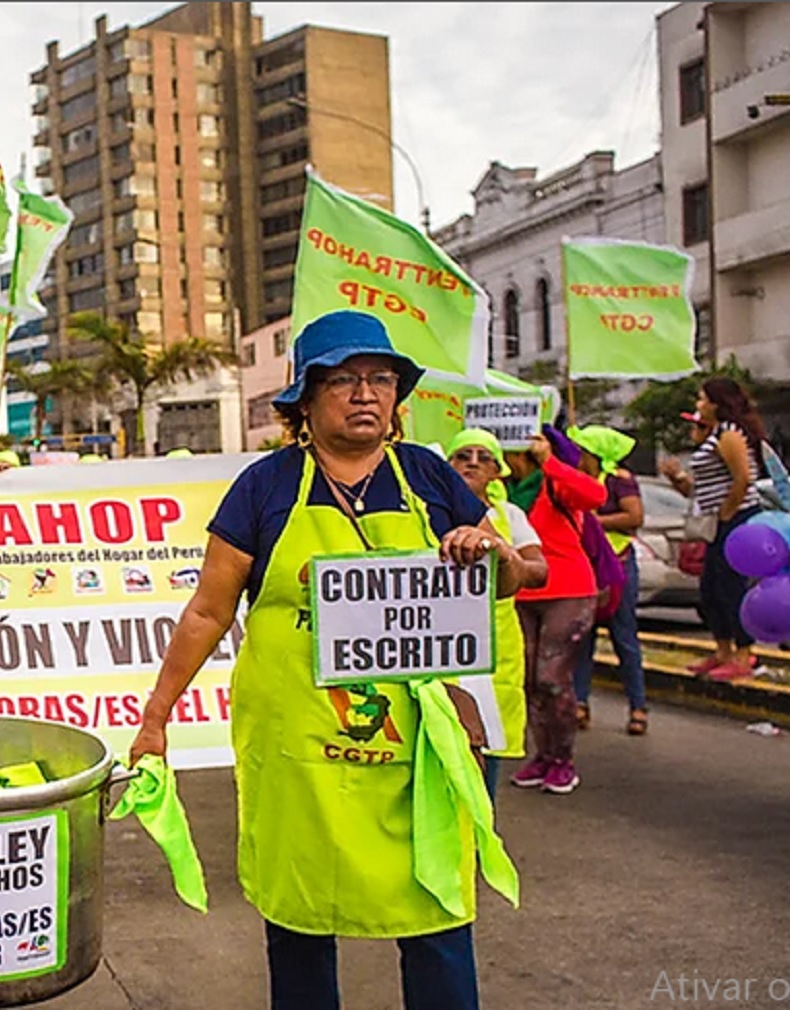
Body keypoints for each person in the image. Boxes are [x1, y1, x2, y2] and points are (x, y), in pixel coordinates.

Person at [129, 310, 516, 1010]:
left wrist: (490, 550)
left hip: (416, 756)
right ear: (305, 401)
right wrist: (156, 718)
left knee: (437, 912)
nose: (365, 392)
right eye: (342, 379)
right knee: (300, 919)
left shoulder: (428, 477)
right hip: (298, 751)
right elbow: (208, 611)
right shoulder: (266, 486)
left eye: (380, 378)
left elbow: (525, 573)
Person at [501, 428, 606, 795]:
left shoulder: (552, 484)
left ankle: (563, 759)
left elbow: (595, 495)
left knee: (552, 675)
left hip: (568, 590)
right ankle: (543, 755)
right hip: (522, 593)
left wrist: (551, 462)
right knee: (528, 678)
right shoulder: (502, 493)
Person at [444, 429, 548, 799]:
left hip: (494, 648)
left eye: (483, 456)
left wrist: (503, 558)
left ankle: (481, 836)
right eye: (462, 455)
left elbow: (539, 571)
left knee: (486, 738)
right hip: (434, 648)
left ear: (496, 471)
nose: (472, 461)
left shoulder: (509, 516)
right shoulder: (424, 509)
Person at [661, 379, 769, 679]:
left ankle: (744, 653)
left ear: (717, 403)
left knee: (730, 586)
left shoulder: (730, 434)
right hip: (715, 521)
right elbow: (701, 489)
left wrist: (728, 511)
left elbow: (743, 478)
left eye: (702, 399)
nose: (698, 405)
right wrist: (677, 479)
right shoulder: (713, 436)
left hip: (736, 519)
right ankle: (722, 649)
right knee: (711, 589)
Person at [567, 425, 648, 735]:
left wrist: (593, 522)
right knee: (582, 639)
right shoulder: (576, 481)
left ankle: (638, 706)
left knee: (624, 638)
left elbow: (634, 516)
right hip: (584, 565)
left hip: (618, 564)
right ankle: (580, 703)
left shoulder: (619, 481)